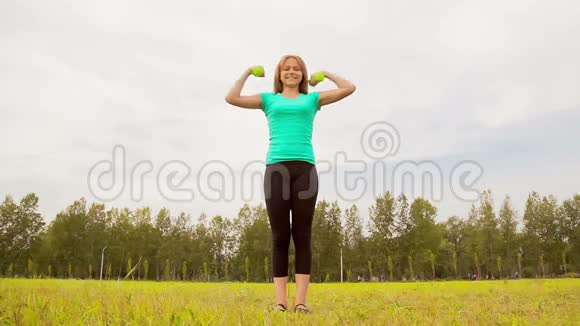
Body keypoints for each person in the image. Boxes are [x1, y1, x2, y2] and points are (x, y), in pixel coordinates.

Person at [225, 54, 356, 313]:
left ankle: (301, 302)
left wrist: (325, 73)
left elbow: (348, 88)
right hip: (276, 169)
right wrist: (248, 72)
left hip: (305, 169)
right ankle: (280, 302)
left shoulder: (312, 99)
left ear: (303, 74)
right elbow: (232, 98)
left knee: (303, 235)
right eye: (287, 69)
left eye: (297, 69)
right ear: (279, 74)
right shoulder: (268, 100)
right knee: (279, 236)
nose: (292, 72)